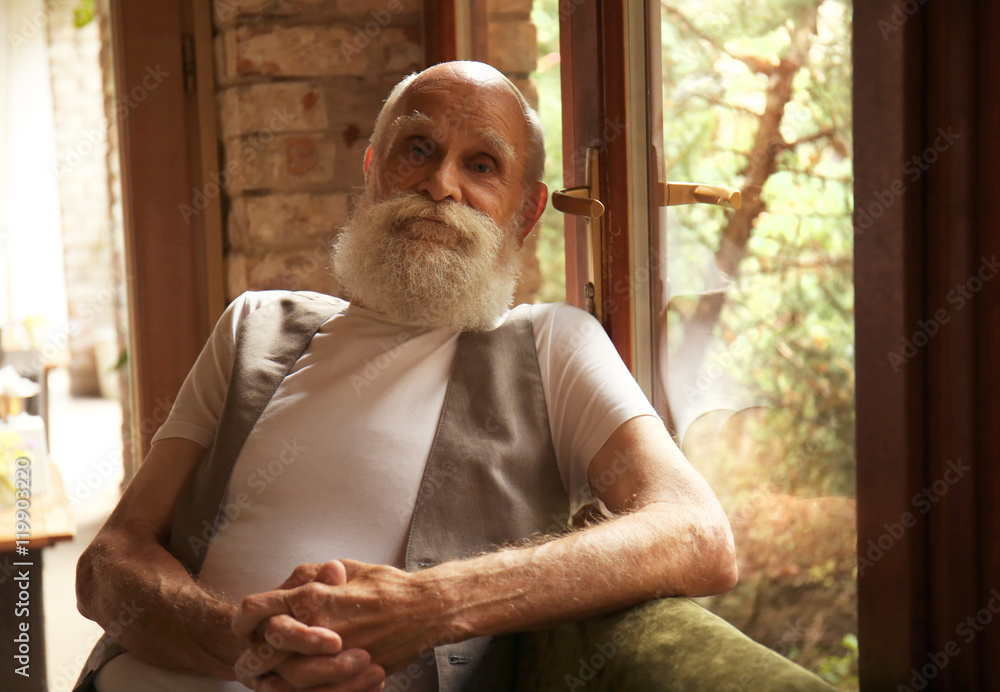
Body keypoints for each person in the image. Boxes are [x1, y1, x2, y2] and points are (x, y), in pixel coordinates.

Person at [74, 61, 738, 692]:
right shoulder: (253, 327)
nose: (440, 184)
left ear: (527, 213)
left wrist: (427, 605)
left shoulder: (552, 346)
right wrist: (245, 646)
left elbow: (696, 532)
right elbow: (109, 559)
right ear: (373, 170)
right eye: (416, 149)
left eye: (481, 165)